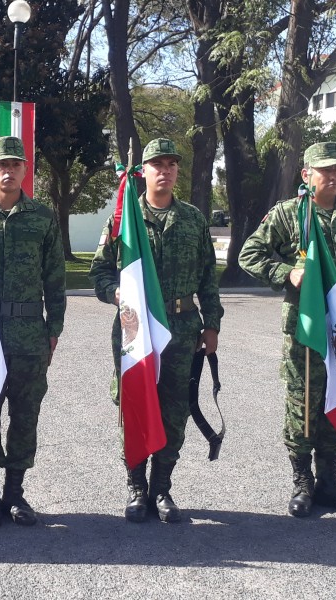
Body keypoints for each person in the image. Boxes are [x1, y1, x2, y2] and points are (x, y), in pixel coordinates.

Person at [238, 141, 336, 518]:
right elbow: (249, 254)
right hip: (305, 328)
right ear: (307, 175)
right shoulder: (290, 215)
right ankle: (303, 482)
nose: (334, 176)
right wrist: (287, 273)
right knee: (303, 402)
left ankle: (329, 484)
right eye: (325, 170)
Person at [89, 138, 223, 524]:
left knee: (173, 410)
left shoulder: (193, 219)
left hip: (181, 329)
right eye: (156, 164)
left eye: (171, 164)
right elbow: (99, 272)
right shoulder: (122, 218)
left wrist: (211, 323)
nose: (165, 170)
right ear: (142, 171)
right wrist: (114, 293)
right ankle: (136, 488)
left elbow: (207, 279)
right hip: (135, 328)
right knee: (133, 406)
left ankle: (161, 487)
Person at [0, 136, 66, 529]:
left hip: (29, 332)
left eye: (16, 164)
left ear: (25, 170)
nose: (8, 171)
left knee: (25, 415)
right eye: (1, 165)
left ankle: (15, 492)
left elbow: (55, 278)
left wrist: (54, 328)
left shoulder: (42, 217)